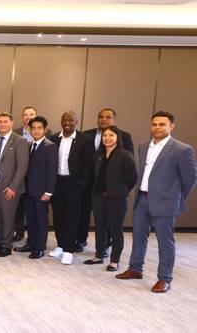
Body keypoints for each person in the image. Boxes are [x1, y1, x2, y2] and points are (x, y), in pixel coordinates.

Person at [117, 112, 197, 293]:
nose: (157, 127)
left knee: (164, 241)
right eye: (154, 124)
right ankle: (135, 269)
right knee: (138, 236)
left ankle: (165, 278)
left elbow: (191, 178)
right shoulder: (144, 147)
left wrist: (175, 196)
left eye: (162, 124)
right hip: (142, 199)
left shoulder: (182, 149)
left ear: (171, 126)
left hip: (166, 202)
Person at [81, 107, 135, 252]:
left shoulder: (125, 139)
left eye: (107, 116)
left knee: (114, 226)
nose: (103, 119)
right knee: (97, 223)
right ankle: (93, 249)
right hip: (93, 189)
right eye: (101, 116)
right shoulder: (88, 136)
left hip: (115, 193)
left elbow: (131, 175)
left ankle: (112, 254)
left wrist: (121, 188)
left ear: (113, 120)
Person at [47, 111, 92, 265]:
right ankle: (60, 246)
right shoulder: (53, 138)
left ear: (76, 121)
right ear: (61, 121)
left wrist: (82, 184)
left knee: (72, 217)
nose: (67, 122)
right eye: (64, 119)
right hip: (57, 182)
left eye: (71, 120)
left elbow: (88, 165)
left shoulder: (85, 140)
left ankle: (69, 250)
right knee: (58, 216)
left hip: (75, 185)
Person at [0, 113, 29, 258]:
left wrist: (13, 187)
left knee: (8, 218)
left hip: (9, 187)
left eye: (5, 122)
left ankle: (6, 245)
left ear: (12, 123)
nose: (2, 124)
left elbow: (22, 167)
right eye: (0, 122)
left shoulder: (19, 141)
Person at [15, 116, 57, 259]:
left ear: (45, 130)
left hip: (42, 192)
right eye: (33, 128)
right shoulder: (29, 145)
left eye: (39, 128)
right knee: (31, 219)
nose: (36, 131)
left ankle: (40, 248)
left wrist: (49, 192)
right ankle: (30, 243)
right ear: (29, 130)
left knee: (41, 220)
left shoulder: (50, 146)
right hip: (28, 190)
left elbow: (52, 171)